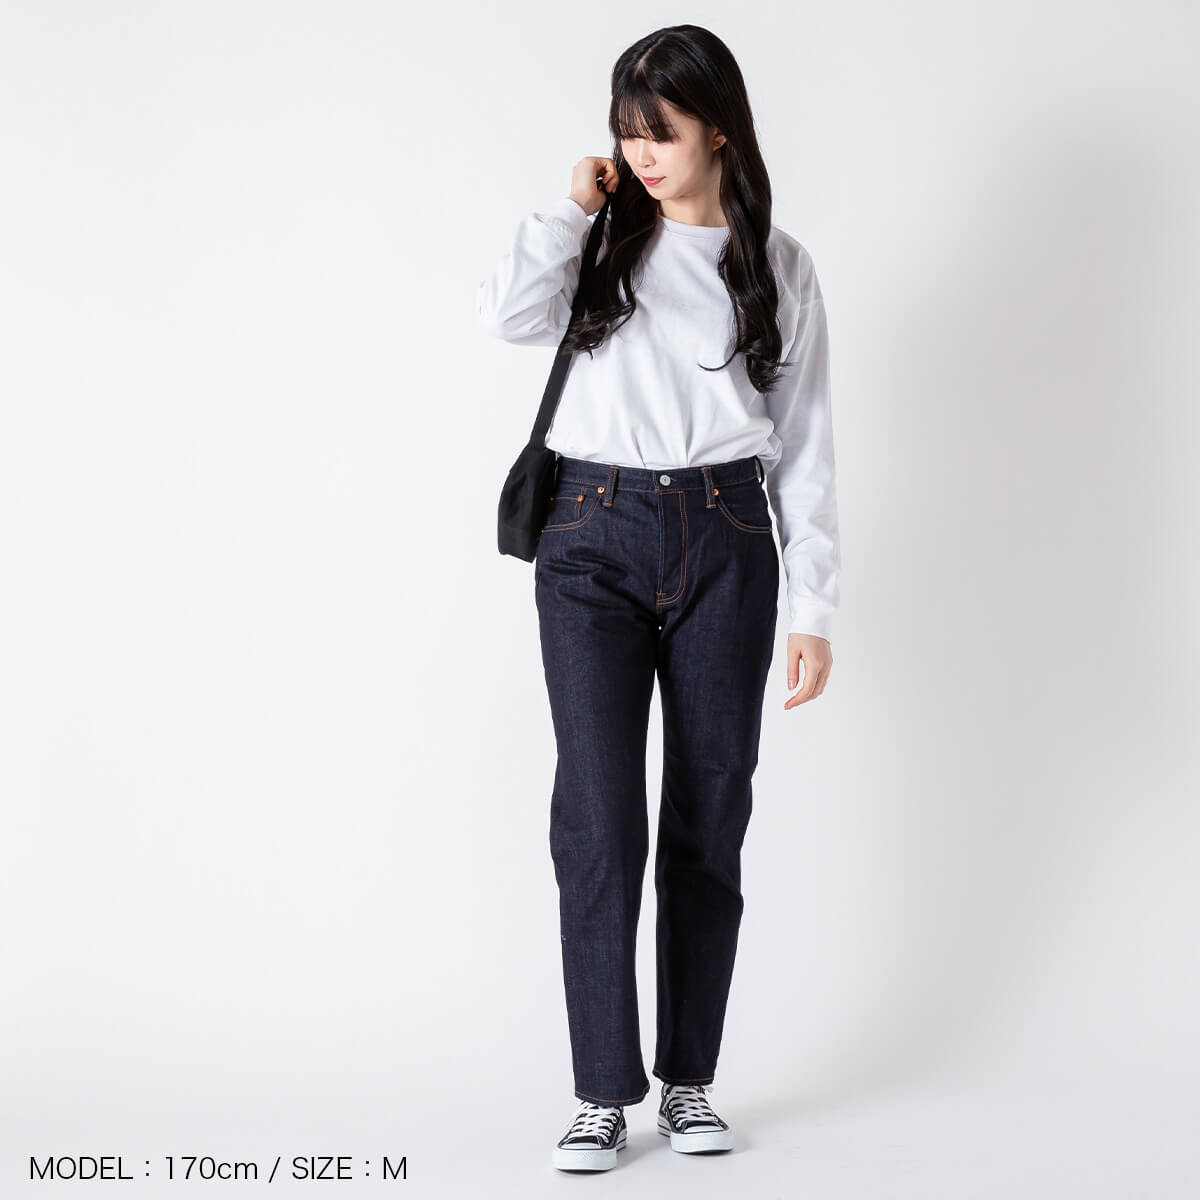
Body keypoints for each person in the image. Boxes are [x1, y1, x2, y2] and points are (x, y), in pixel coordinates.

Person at [477, 24, 841, 1173]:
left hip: (728, 535)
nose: (639, 151)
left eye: (661, 130)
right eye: (625, 130)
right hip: (589, 539)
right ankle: (601, 1092)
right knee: (597, 818)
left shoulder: (776, 264)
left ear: (717, 128)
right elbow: (507, 315)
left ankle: (688, 1081)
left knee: (709, 813)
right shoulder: (600, 243)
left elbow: (806, 443)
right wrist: (569, 207)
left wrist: (815, 606)